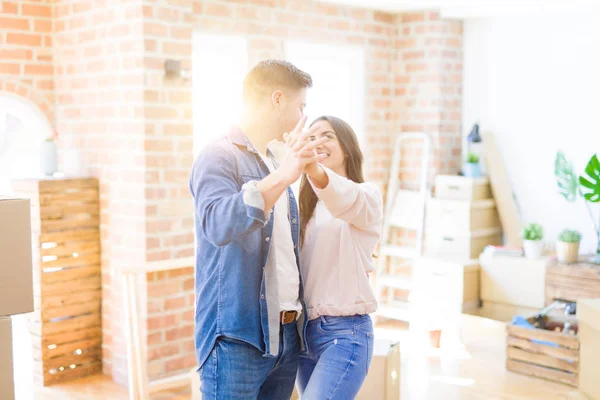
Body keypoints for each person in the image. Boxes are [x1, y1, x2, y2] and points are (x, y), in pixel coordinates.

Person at [189, 60, 328, 400]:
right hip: (238, 340)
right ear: (277, 99)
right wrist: (284, 176)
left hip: (285, 338)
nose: (303, 118)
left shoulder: (274, 160)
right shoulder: (218, 156)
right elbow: (218, 223)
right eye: (301, 106)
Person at [294, 116, 383, 399]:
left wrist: (313, 169)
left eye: (327, 136)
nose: (317, 141)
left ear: (348, 148)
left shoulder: (366, 197)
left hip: (345, 334)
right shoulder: (305, 209)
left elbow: (346, 198)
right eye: (311, 137)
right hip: (303, 335)